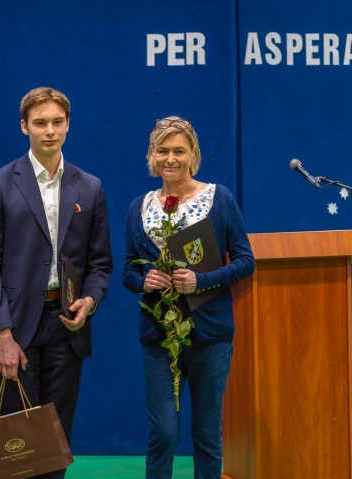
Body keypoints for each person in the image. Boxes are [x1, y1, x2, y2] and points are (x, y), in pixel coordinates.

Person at [0, 86, 113, 478]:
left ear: (68, 125)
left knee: (56, 439)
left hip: (67, 325)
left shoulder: (90, 186)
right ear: (24, 127)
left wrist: (90, 300)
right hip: (15, 326)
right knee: (18, 444)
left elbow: (101, 264)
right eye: (40, 123)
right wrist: (2, 335)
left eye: (57, 122)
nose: (49, 131)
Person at [122, 117, 255, 479]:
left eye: (179, 151)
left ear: (193, 153)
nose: (171, 158)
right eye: (163, 150)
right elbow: (128, 271)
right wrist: (143, 281)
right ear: (152, 154)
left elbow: (246, 261)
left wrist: (202, 281)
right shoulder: (138, 207)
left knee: (207, 433)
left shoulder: (219, 198)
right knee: (163, 432)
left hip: (210, 334)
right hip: (158, 335)